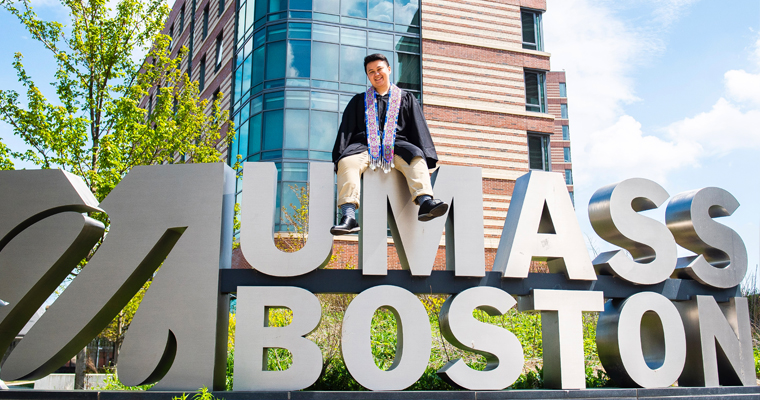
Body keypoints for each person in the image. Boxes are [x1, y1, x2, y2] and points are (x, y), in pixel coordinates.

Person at [330, 53, 448, 235]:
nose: (376, 74)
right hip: (364, 146)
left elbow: (417, 128)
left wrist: (424, 155)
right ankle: (349, 216)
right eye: (371, 72)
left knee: (415, 156)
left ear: (389, 70)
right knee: (347, 162)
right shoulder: (358, 101)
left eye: (379, 69)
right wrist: (340, 156)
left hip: (398, 145)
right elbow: (346, 130)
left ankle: (425, 202)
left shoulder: (405, 98)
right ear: (368, 76)